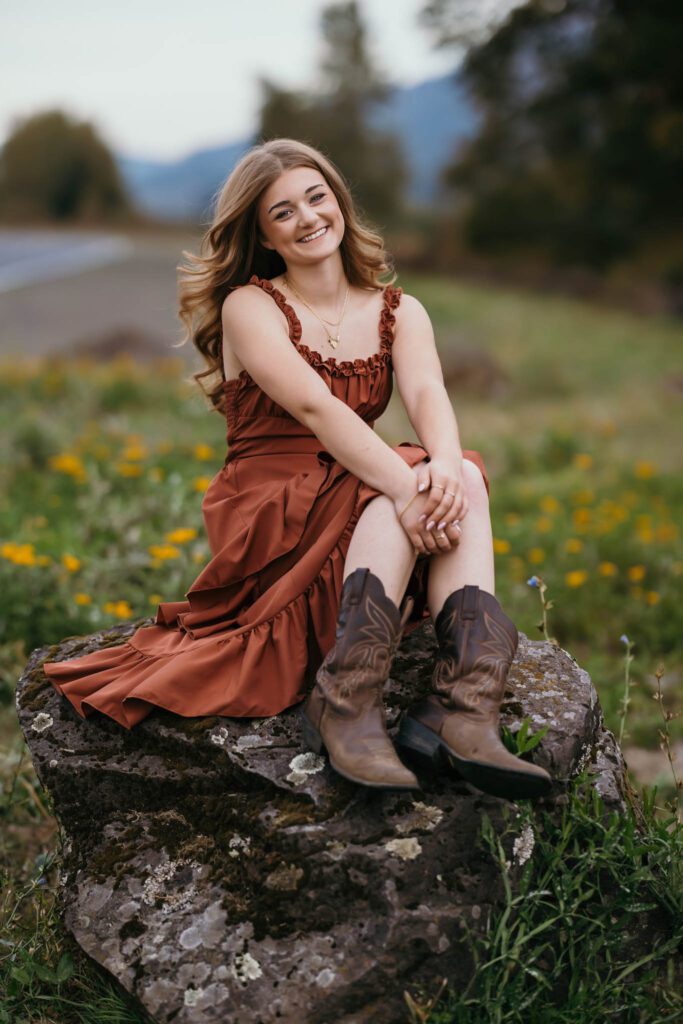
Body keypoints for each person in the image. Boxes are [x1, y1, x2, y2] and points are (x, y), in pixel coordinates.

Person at [43, 138, 551, 801]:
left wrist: (446, 472)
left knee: (463, 479)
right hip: (273, 501)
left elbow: (428, 396)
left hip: (356, 477)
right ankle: (345, 705)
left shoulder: (399, 309)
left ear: (338, 202)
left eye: (317, 198)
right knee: (400, 482)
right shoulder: (250, 307)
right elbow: (315, 408)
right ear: (263, 234)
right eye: (283, 212)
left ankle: (463, 712)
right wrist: (405, 489)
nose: (308, 218)